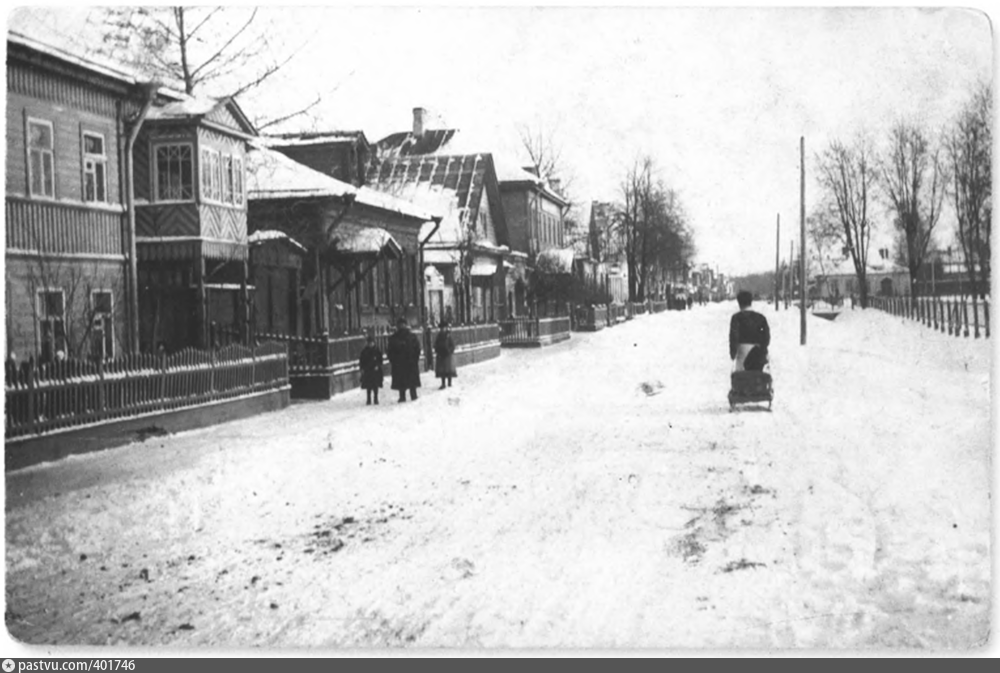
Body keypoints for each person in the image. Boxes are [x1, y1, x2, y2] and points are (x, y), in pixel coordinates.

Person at [729, 290, 770, 371]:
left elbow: (734, 337)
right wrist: (763, 351)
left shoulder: (736, 318)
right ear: (751, 302)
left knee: (742, 379)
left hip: (742, 354)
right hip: (758, 356)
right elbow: (766, 337)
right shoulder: (761, 318)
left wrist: (733, 354)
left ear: (739, 303)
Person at [387, 317, 421, 402]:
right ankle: (402, 396)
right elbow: (390, 350)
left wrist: (415, 358)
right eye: (400, 325)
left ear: (406, 325)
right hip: (399, 363)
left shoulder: (411, 336)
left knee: (411, 380)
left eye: (403, 324)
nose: (402, 326)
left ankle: (413, 395)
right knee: (401, 381)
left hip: (410, 361)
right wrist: (393, 360)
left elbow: (417, 348)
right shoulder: (394, 338)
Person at [358, 333, 384, 405]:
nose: (370, 344)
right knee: (368, 386)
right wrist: (362, 368)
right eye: (369, 343)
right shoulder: (364, 351)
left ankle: (375, 398)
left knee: (375, 385)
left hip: (375, 370)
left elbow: (380, 360)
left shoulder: (377, 350)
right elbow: (362, 360)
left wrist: (378, 365)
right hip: (368, 370)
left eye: (371, 343)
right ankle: (368, 399)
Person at [434, 321, 457, 389]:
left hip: (448, 355)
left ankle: (449, 382)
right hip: (441, 355)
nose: (442, 329)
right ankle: (443, 383)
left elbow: (452, 345)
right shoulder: (439, 336)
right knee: (442, 370)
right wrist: (437, 350)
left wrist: (450, 351)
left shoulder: (448, 336)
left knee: (448, 369)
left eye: (443, 328)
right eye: (441, 328)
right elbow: (436, 344)